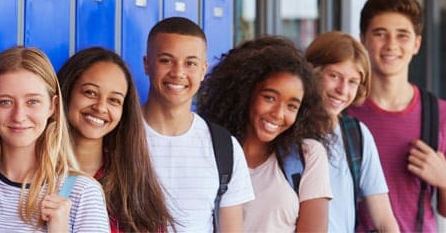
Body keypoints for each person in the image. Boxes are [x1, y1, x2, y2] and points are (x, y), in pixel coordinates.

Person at [347, 0, 446, 232]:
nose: (391, 45)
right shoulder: (344, 114)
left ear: (417, 44)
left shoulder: (443, 116)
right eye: (380, 34)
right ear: (363, 39)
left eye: (402, 35)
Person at [0, 46, 109, 232]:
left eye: (32, 101)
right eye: (5, 102)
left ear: (52, 106)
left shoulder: (82, 193)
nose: (19, 116)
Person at [197, 36, 333, 232]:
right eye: (269, 98)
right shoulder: (210, 149)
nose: (278, 114)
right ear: (245, 93)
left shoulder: (307, 156)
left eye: (291, 106)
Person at [141, 16, 255, 232]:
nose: (178, 73)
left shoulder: (224, 148)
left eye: (190, 63)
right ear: (147, 64)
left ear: (203, 70)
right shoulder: (118, 135)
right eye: (166, 60)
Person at [57, 47, 175, 232]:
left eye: (114, 100)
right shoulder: (33, 170)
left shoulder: (133, 184)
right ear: (67, 92)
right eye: (90, 93)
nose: (101, 107)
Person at [305, 31, 399, 232]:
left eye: (353, 82)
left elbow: (383, 219)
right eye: (334, 76)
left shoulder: (356, 135)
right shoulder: (287, 129)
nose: (342, 90)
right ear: (312, 72)